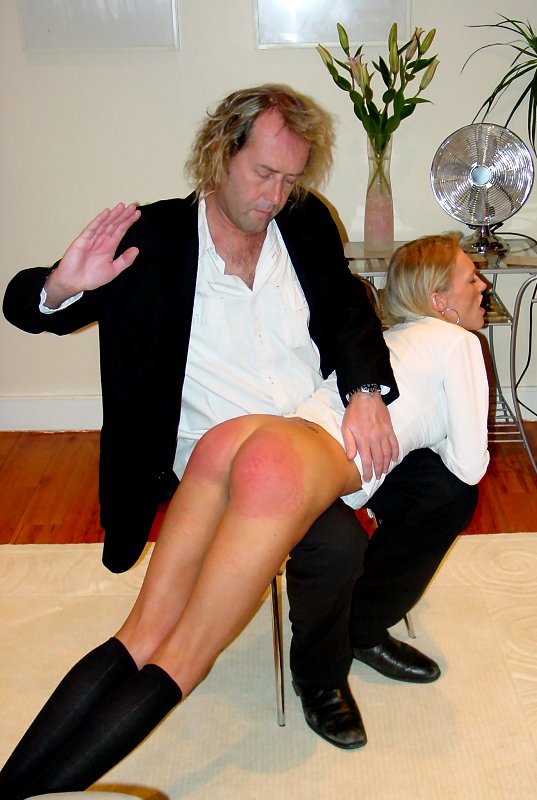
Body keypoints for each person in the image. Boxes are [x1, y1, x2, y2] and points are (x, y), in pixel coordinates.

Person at [3, 84, 478, 751]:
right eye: (264, 173)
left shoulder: (305, 222)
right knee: (336, 546)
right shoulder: (153, 240)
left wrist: (367, 390)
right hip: (225, 459)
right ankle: (321, 677)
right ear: (220, 154)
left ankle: (360, 626)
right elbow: (26, 308)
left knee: (446, 492)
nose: (276, 195)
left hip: (322, 428)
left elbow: (346, 309)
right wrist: (61, 285)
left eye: (289, 179)